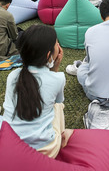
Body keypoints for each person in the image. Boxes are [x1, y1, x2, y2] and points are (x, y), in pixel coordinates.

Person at [4, 25, 72, 157]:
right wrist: (55, 69)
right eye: (56, 44)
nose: (58, 46)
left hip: (9, 145)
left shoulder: (13, 76)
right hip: (45, 149)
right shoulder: (58, 79)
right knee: (58, 106)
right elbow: (56, 101)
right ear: (48, 55)